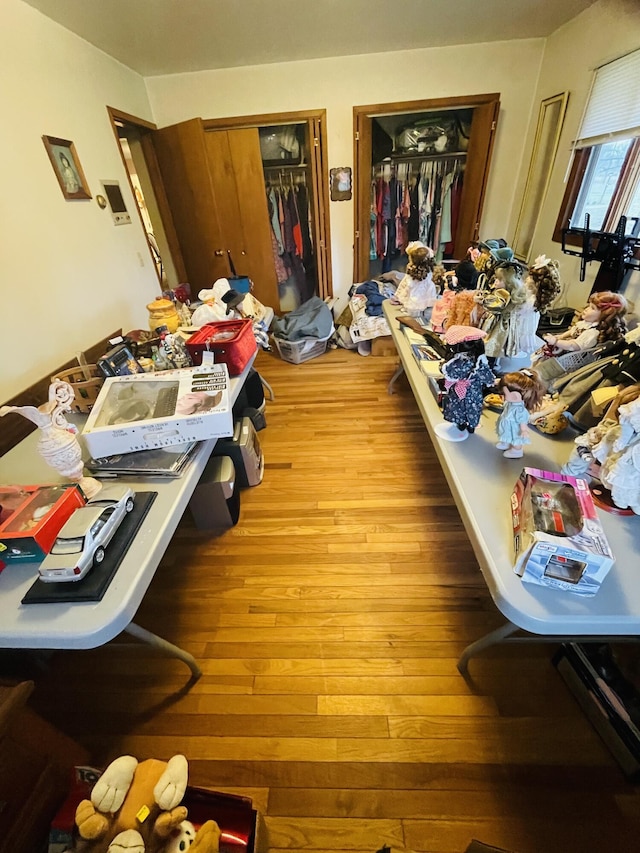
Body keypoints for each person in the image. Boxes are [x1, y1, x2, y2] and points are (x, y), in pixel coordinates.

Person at [495, 369, 546, 458]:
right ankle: (506, 442)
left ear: (515, 396)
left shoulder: (519, 410)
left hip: (514, 428)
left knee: (516, 439)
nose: (502, 395)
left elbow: (522, 421)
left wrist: (524, 430)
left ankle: (516, 451)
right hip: (507, 425)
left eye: (505, 393)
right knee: (505, 434)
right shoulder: (511, 402)